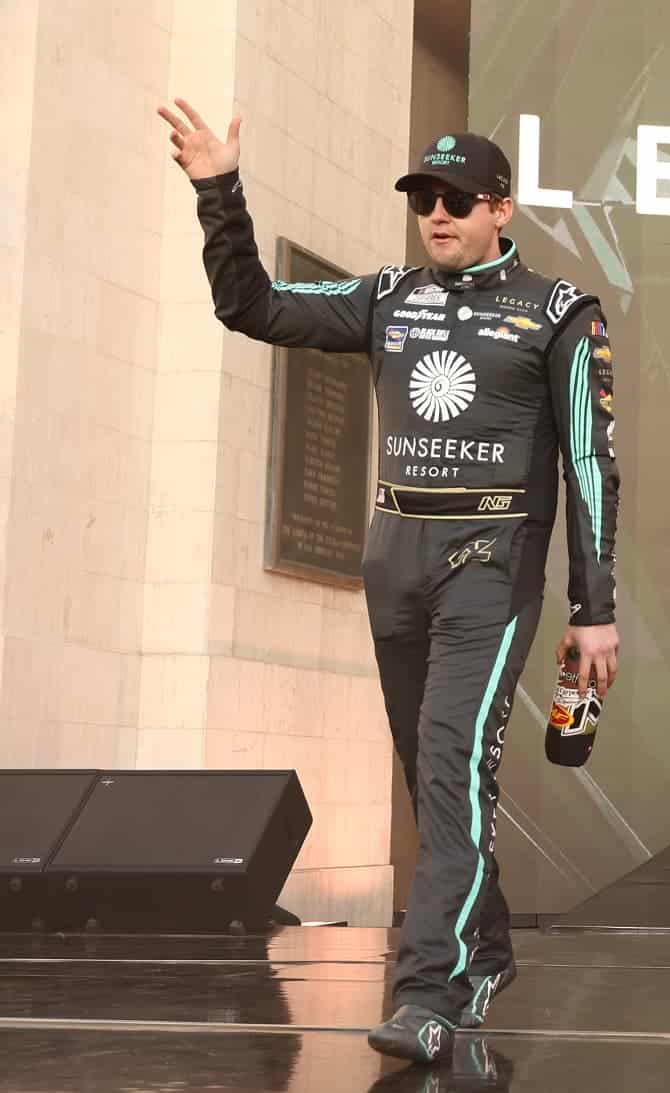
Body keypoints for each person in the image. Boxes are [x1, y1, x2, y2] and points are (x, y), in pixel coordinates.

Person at [156, 100, 620, 1062]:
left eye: (456, 198)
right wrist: (218, 191)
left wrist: (594, 610)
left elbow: (590, 462)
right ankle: (485, 947)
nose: (437, 213)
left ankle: (432, 992)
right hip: (393, 561)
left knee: (452, 766)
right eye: (424, 198)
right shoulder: (387, 296)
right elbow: (250, 306)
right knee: (428, 770)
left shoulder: (560, 311)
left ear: (502, 208)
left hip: (490, 569)